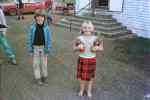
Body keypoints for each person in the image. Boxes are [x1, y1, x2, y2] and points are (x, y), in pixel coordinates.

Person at [73, 21, 104, 98]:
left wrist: (98, 48)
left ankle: (89, 90)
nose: (87, 29)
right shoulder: (79, 38)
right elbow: (73, 48)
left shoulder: (96, 38)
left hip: (91, 60)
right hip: (82, 59)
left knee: (90, 77)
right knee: (81, 77)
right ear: (82, 29)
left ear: (93, 29)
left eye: (89, 27)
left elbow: (102, 48)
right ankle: (82, 89)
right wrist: (78, 47)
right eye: (85, 27)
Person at [27, 9, 52, 85]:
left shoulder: (47, 28)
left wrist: (48, 49)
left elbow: (49, 39)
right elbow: (29, 38)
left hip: (44, 48)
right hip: (35, 48)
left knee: (44, 64)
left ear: (44, 18)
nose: (40, 18)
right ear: (35, 18)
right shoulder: (32, 27)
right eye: (38, 16)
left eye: (42, 17)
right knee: (35, 64)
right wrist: (30, 49)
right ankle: (38, 78)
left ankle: (44, 77)